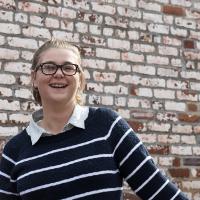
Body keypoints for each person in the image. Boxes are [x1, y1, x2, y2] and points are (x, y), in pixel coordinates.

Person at [0, 38, 189, 200]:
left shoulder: (107, 126)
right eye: (48, 67)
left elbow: (159, 191)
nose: (59, 73)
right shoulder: (14, 151)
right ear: (34, 77)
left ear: (80, 79)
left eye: (68, 67)